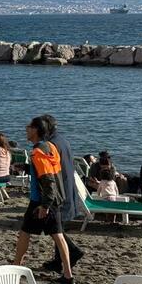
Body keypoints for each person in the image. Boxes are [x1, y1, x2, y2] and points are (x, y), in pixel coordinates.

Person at [13, 115, 74, 284]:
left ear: (36, 130)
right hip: (51, 199)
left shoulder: (38, 151)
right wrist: (27, 167)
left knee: (27, 233)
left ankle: (16, 267)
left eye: (28, 127)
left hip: (41, 201)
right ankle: (68, 275)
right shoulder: (50, 147)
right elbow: (50, 172)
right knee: (55, 236)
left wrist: (45, 206)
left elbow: (48, 180)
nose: (26, 129)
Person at [42, 114, 84, 270]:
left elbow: (50, 172)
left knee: (55, 227)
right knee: (57, 225)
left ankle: (73, 251)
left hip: (59, 189)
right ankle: (59, 260)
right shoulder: (62, 141)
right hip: (67, 185)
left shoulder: (51, 144)